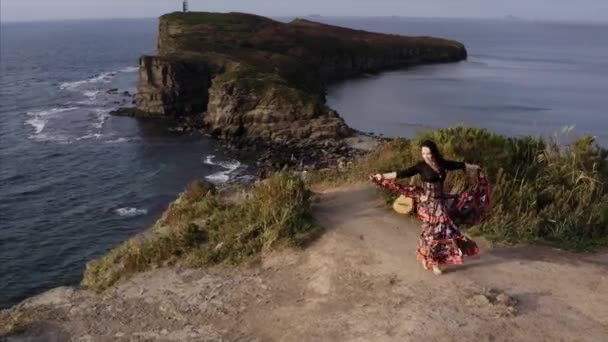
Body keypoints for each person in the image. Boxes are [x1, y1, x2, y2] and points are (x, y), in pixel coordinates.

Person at [371, 140, 489, 275]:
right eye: (423, 153)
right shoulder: (421, 166)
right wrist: (382, 176)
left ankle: (429, 257)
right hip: (429, 204)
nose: (426, 156)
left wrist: (473, 167)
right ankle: (434, 262)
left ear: (434, 152)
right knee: (433, 234)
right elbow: (401, 173)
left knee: (438, 233)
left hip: (441, 203)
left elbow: (456, 165)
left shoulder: (441, 163)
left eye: (428, 153)